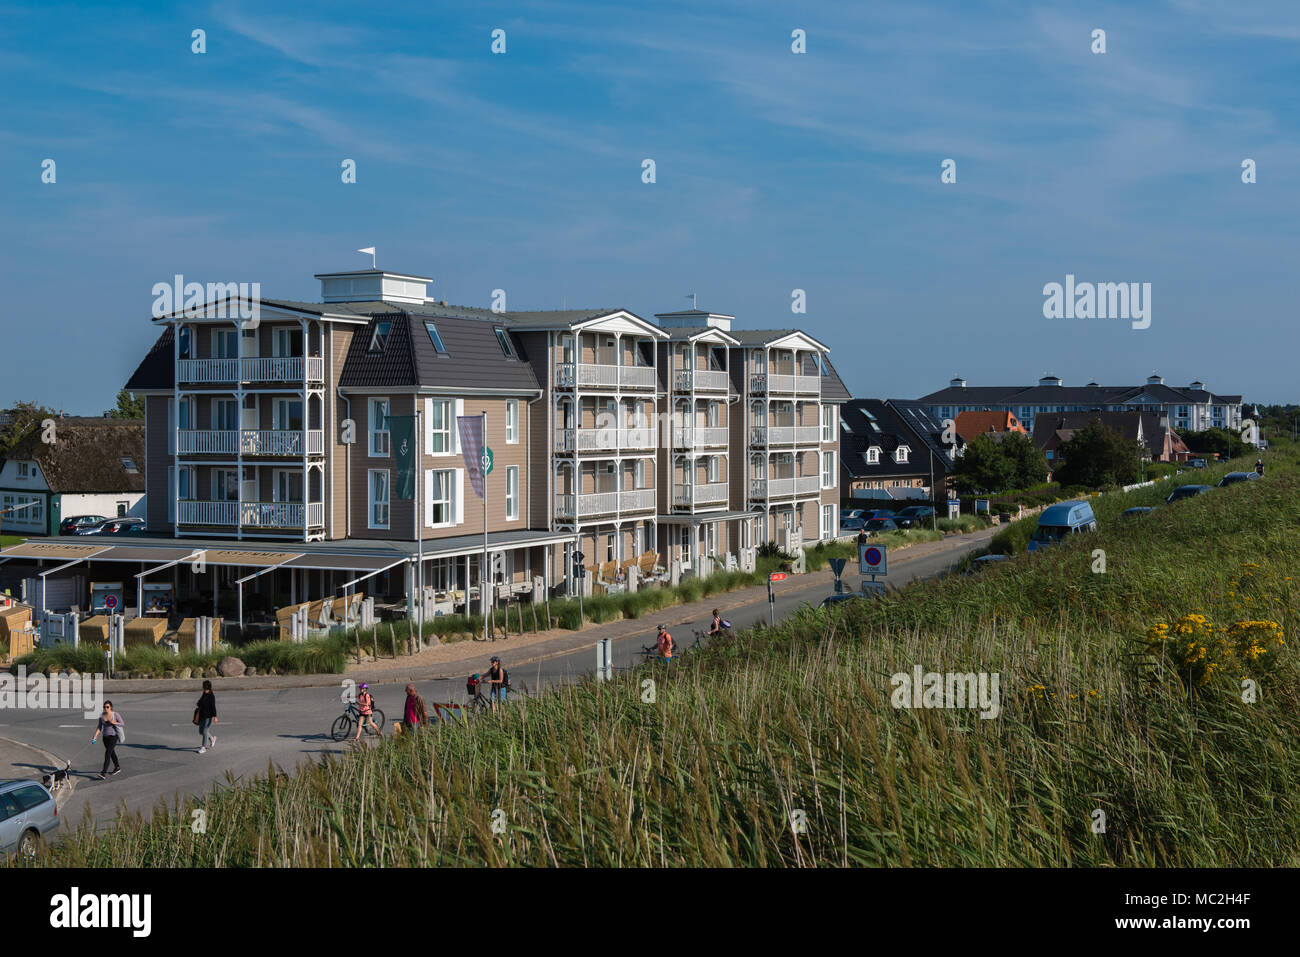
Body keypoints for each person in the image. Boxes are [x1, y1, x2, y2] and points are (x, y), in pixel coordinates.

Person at [91, 701, 124, 779]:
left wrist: (115, 722)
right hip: (105, 738)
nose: (106, 708)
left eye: (107, 707)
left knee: (107, 753)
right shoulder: (102, 716)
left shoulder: (115, 714)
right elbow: (99, 727)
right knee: (112, 752)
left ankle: (103, 773)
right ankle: (117, 767)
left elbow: (122, 723)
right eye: (104, 707)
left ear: (111, 707)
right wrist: (95, 736)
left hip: (113, 736)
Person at [195, 679, 218, 753]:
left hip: (209, 716)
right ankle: (211, 738)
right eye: (204, 688)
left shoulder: (212, 696)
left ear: (209, 688)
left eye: (206, 689)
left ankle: (203, 747)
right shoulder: (204, 693)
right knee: (201, 731)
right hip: (202, 715)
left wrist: (215, 717)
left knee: (205, 731)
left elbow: (213, 707)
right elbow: (201, 701)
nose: (205, 690)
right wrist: (199, 703)